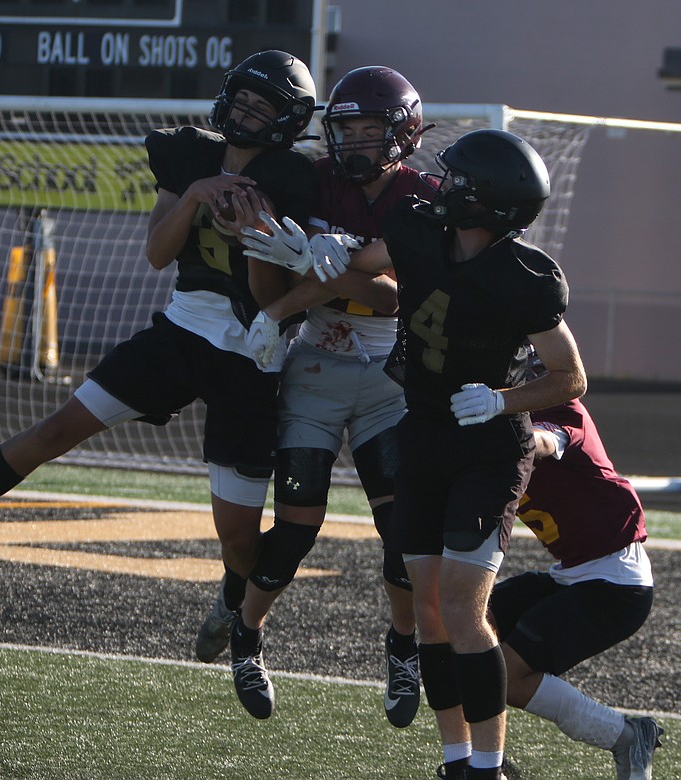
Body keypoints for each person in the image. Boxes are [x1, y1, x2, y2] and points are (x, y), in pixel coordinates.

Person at [0, 50, 320, 668]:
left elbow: (272, 301)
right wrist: (195, 196)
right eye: (241, 99)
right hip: (180, 332)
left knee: (238, 539)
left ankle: (235, 598)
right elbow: (158, 254)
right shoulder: (189, 154)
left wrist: (256, 238)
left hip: (251, 354)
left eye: (262, 108)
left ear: (287, 123)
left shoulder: (296, 179)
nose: (245, 113)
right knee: (56, 428)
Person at [245, 128, 587, 780]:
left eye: (460, 183)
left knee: (462, 608)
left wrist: (501, 400)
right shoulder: (418, 228)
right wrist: (311, 253)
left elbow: (570, 379)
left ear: (490, 204)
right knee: (428, 608)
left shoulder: (525, 277)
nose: (444, 188)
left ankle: (487, 768)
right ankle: (455, 759)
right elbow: (365, 262)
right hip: (421, 435)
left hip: (487, 448)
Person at [224, 66, 435, 725]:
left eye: (369, 130)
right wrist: (286, 279)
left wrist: (329, 263)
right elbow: (294, 263)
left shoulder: (420, 198)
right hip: (314, 367)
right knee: (295, 529)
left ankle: (402, 647)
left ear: (401, 133)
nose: (353, 143)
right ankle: (247, 635)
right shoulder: (313, 180)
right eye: (345, 129)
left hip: (387, 379)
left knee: (400, 535)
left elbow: (391, 295)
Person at [480, 394, 663, 780]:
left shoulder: (559, 406)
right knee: (464, 628)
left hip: (615, 582)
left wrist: (493, 425)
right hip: (571, 572)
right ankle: (482, 764)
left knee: (509, 677)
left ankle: (627, 736)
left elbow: (543, 441)